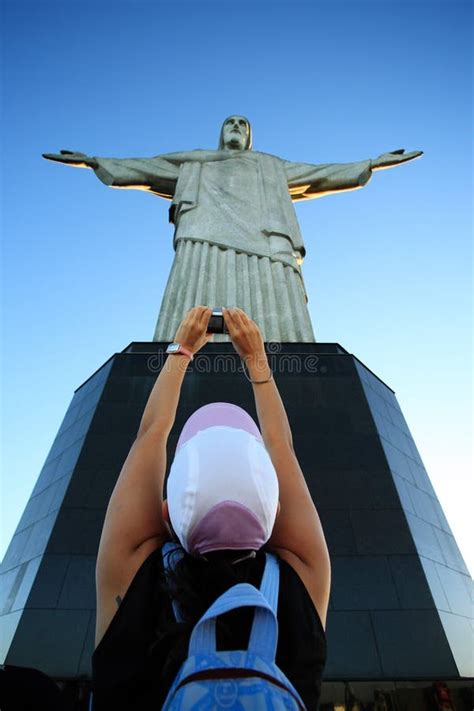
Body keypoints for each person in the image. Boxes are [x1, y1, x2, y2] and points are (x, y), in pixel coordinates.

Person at [92, 306, 331, 710]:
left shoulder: (131, 575)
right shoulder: (303, 578)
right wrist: (257, 361)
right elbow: (281, 446)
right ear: (274, 511)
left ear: (166, 512)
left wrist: (182, 350)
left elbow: (151, 433)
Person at [43, 117, 422, 342]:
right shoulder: (195, 162)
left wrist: (371, 164)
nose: (236, 128)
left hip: (264, 238)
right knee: (199, 290)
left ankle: (278, 345)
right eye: (230, 123)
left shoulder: (270, 167)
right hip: (203, 238)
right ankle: (187, 345)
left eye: (243, 124)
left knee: (276, 308)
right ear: (221, 133)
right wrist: (95, 162)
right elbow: (146, 168)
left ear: (250, 136)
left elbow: (319, 174)